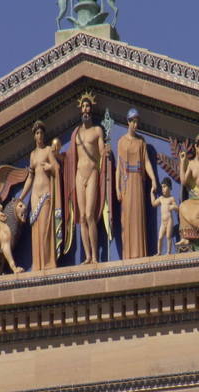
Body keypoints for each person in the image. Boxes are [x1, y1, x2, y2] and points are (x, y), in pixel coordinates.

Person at [63, 91, 110, 264]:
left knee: (90, 215)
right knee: (81, 217)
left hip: (92, 174)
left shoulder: (97, 131)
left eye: (88, 106)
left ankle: (96, 257)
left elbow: (101, 151)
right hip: (78, 175)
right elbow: (70, 157)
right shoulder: (75, 134)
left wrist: (106, 152)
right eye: (83, 106)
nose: (85, 109)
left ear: (91, 109)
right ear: (80, 109)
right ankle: (88, 256)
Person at [20, 121, 62, 270]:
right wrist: (21, 197)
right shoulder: (32, 155)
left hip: (45, 195)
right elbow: (30, 178)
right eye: (37, 133)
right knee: (36, 232)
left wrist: (51, 167)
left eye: (41, 133)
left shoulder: (48, 151)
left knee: (45, 229)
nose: (40, 136)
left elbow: (57, 168)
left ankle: (48, 263)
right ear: (34, 136)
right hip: (35, 196)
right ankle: (38, 264)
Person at [116, 108, 157, 259]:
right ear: (128, 122)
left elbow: (146, 162)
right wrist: (117, 188)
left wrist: (153, 179)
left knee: (138, 218)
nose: (135, 124)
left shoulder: (141, 142)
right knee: (127, 219)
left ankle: (139, 253)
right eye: (133, 121)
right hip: (126, 184)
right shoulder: (121, 142)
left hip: (138, 183)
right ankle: (128, 255)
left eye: (137, 121)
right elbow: (118, 169)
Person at [151, 177, 178, 255]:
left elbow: (177, 208)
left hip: (169, 220)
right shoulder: (161, 198)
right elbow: (153, 203)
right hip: (163, 222)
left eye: (164, 187)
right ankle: (159, 252)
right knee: (160, 237)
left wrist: (173, 207)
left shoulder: (171, 198)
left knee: (168, 236)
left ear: (169, 187)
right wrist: (151, 193)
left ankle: (168, 252)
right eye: (162, 187)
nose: (163, 189)